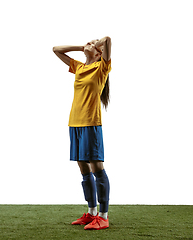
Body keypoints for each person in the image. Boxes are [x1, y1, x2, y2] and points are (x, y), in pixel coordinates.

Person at [53, 37, 112, 230]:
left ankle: (103, 216)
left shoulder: (102, 67)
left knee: (97, 168)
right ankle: (92, 212)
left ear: (99, 53)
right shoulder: (79, 67)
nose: (90, 41)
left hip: (90, 123)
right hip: (74, 123)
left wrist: (98, 43)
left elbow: (109, 39)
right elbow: (56, 49)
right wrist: (82, 47)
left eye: (94, 43)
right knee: (84, 169)